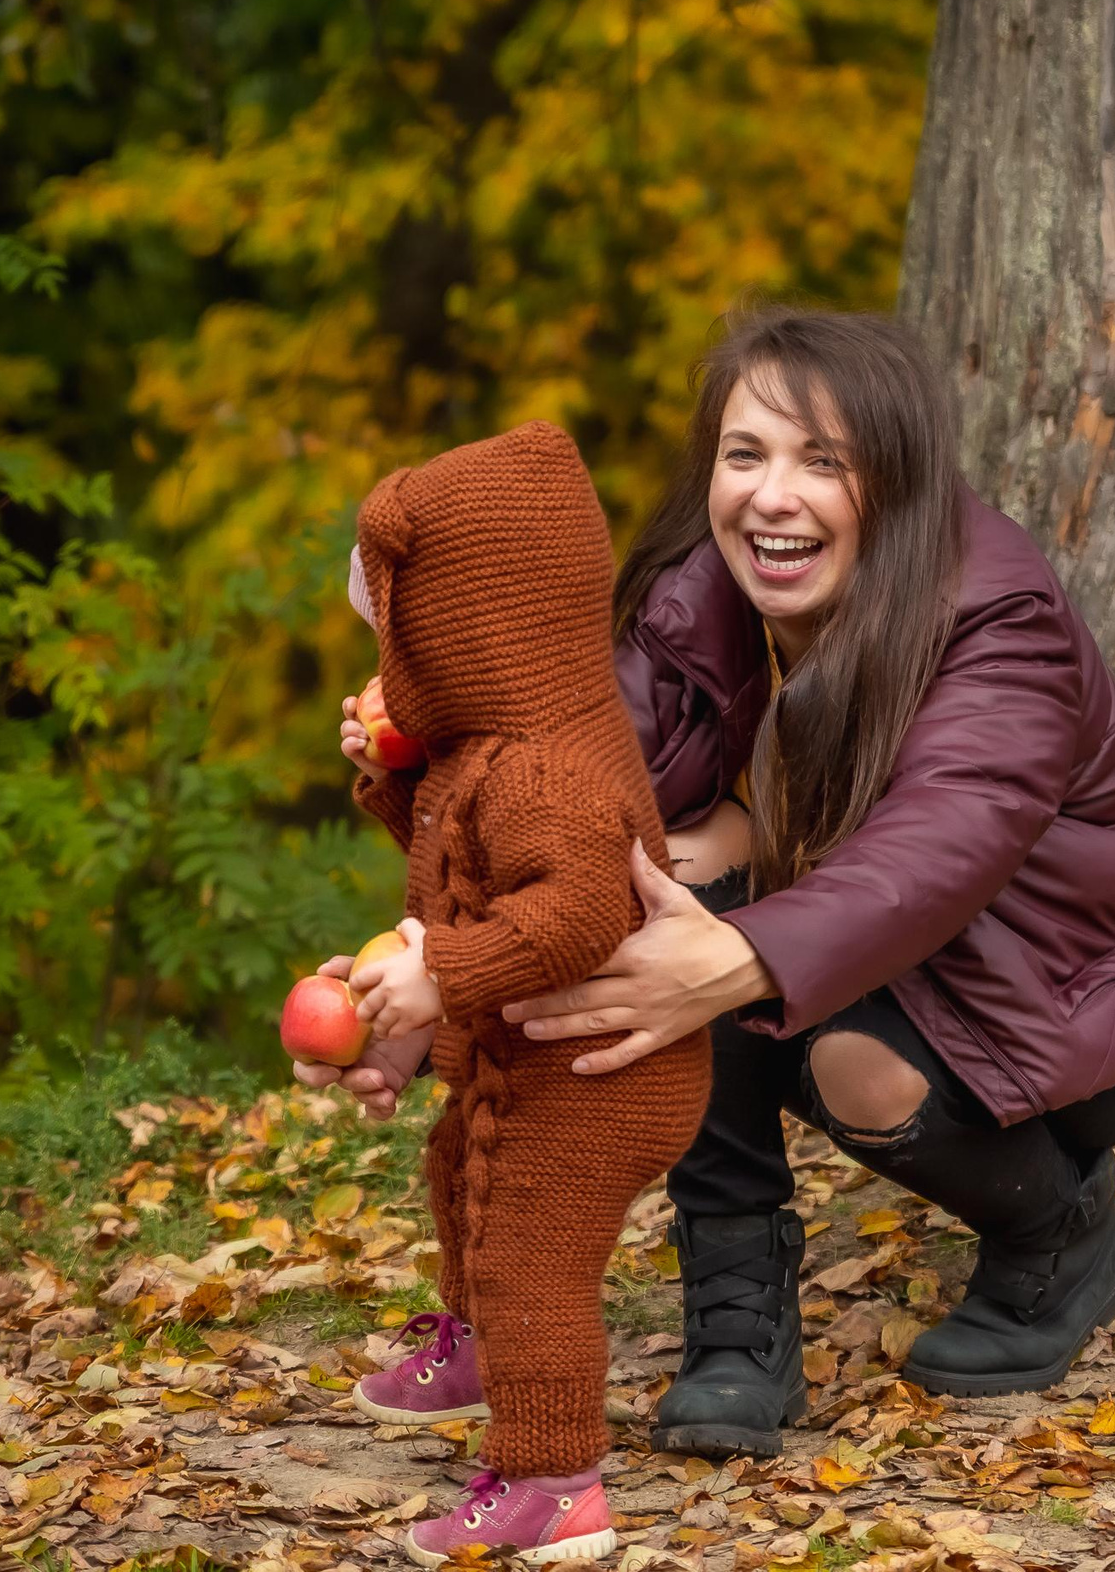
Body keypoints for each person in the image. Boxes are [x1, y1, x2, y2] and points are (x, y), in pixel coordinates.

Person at [306, 307, 1115, 1458]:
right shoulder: (695, 608)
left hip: (1063, 988)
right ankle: (737, 1316)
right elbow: (574, 832)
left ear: (893, 480)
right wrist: (418, 984)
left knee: (821, 1039)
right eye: (745, 456)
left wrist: (732, 956)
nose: (771, 496)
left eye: (822, 461)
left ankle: (1059, 1234)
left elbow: (941, 848)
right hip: (860, 944)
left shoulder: (998, 616)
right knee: (649, 913)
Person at [300, 424, 708, 1566]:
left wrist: (439, 973)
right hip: (536, 1050)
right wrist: (397, 787)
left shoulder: (540, 767)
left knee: (532, 1254)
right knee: (457, 1172)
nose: (387, 671)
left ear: (466, 633)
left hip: (603, 1071)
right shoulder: (490, 746)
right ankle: (479, 1343)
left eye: (399, 643)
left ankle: (553, 1481)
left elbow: (573, 916)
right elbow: (465, 874)